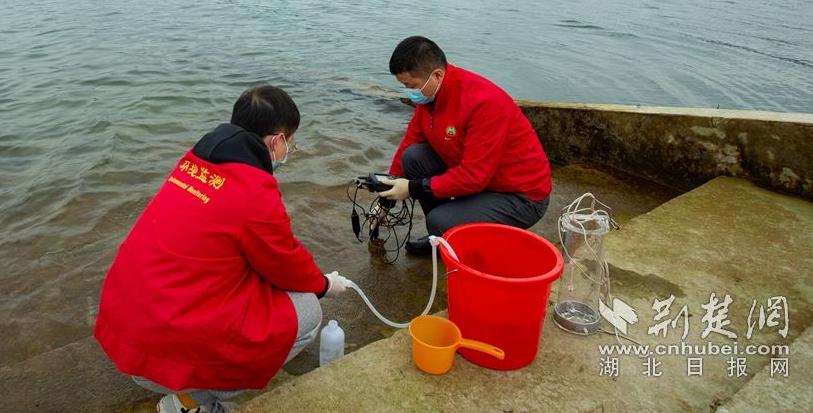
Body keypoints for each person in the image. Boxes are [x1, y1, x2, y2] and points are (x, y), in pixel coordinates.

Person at [94, 85, 346, 413]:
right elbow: (286, 264)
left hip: (126, 337)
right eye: (291, 142)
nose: (290, 151)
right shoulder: (254, 191)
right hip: (159, 358)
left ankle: (184, 387)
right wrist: (325, 285)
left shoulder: (193, 162)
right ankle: (187, 402)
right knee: (308, 313)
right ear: (278, 141)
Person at [378, 36, 551, 252]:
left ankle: (450, 236)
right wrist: (388, 192)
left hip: (520, 196)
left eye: (410, 86)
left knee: (440, 221)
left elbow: (473, 176)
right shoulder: (431, 96)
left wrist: (412, 188)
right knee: (413, 157)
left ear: (437, 75)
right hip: (484, 183)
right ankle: (443, 237)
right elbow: (411, 141)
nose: (409, 93)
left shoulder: (483, 103)